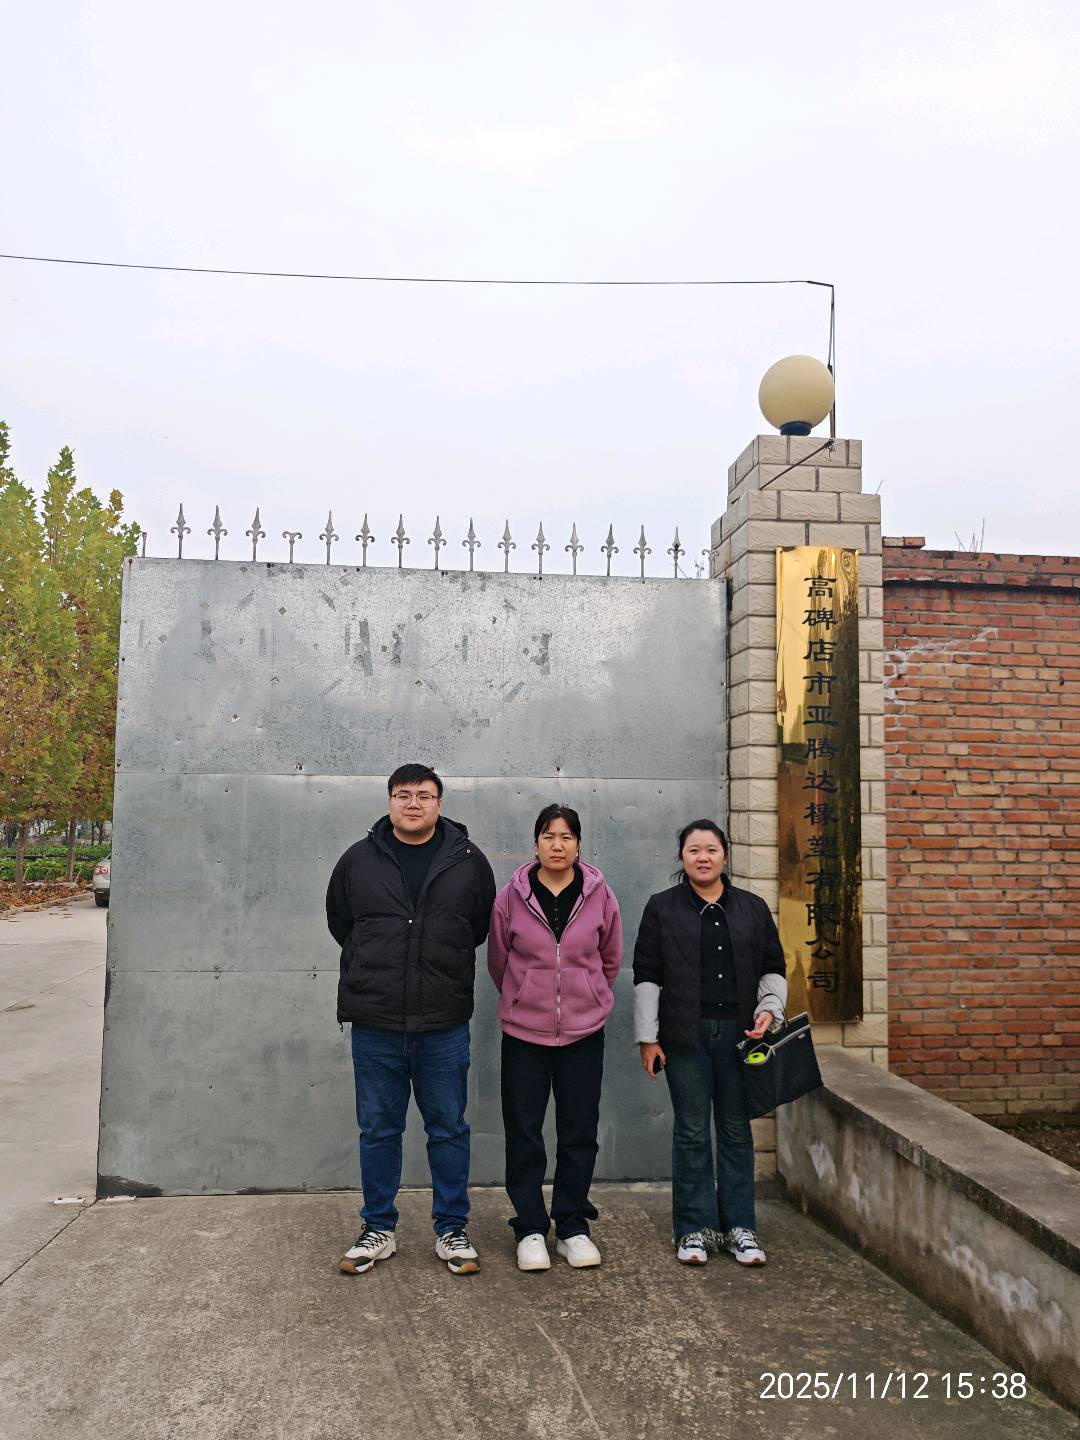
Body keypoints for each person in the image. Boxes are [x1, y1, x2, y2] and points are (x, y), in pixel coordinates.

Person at [326, 764, 496, 1276]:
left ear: (439, 803)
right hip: (375, 1021)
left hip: (442, 1021)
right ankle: (378, 1228)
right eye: (404, 795)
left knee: (448, 1129)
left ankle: (452, 1229)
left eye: (424, 795)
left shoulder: (468, 861)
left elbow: (479, 926)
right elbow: (342, 922)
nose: (413, 803)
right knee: (379, 1130)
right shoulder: (358, 860)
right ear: (389, 802)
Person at [632, 820, 787, 1268]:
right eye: (694, 850)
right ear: (681, 856)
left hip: (740, 1038)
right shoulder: (662, 908)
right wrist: (648, 1038)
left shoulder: (752, 908)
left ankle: (741, 1228)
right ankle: (694, 1229)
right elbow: (647, 974)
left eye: (711, 849)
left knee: (736, 1131)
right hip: (685, 1038)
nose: (703, 857)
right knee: (692, 1131)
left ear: (725, 855)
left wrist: (769, 1010)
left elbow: (772, 967)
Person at [487, 804, 622, 1272]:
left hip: (583, 1033)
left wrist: (588, 996)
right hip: (524, 1034)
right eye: (548, 836)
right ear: (536, 843)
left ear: (579, 844)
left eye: (566, 837)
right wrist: (525, 996)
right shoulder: (512, 897)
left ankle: (571, 1226)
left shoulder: (600, 895)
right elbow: (499, 961)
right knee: (524, 1131)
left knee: (579, 1131)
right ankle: (529, 1228)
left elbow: (609, 959)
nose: (557, 845)